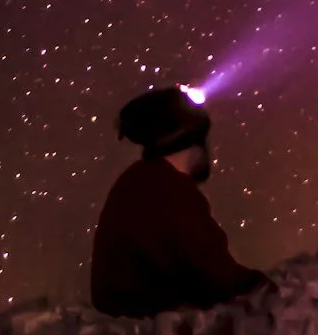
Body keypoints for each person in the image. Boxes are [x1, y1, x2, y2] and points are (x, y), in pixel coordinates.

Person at [88, 86, 268, 316]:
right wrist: (265, 287)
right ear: (192, 141)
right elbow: (216, 273)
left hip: (133, 321)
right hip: (151, 326)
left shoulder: (139, 181)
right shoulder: (168, 190)